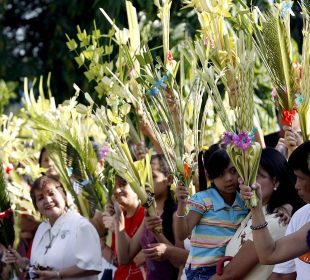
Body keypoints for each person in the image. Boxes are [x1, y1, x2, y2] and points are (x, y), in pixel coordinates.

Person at [210, 148, 299, 280]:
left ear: (276, 182)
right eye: (244, 174)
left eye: (254, 176)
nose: (245, 182)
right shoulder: (251, 212)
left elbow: (231, 273)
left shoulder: (277, 221)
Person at [2, 175, 102, 279]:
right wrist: (24, 263)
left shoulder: (81, 225)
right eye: (40, 198)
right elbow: (41, 269)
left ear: (63, 194)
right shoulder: (42, 228)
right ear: (36, 206)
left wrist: (58, 274)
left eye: (51, 193)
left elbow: (92, 267)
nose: (47, 200)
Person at [175, 144, 249, 279]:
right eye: (221, 174)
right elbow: (182, 234)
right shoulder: (203, 200)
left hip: (229, 268)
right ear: (210, 176)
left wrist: (284, 207)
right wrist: (181, 205)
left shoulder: (245, 201)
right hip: (201, 272)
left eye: (233, 171)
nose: (228, 178)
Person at [239, 141, 310, 280]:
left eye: (300, 178)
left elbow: (269, 254)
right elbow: (279, 271)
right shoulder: (300, 216)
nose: (297, 185)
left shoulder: (277, 221)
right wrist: (256, 206)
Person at [112, 154, 188, 280]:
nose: (147, 183)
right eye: (144, 177)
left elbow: (181, 262)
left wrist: (158, 233)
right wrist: (119, 219)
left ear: (168, 180)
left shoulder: (176, 215)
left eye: (153, 177)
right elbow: (124, 257)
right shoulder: (148, 214)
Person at [101, 175, 146, 280]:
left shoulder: (146, 215)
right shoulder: (118, 215)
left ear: (138, 186)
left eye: (123, 184)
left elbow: (136, 258)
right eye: (113, 185)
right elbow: (118, 261)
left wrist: (116, 226)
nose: (117, 190)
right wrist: (100, 244)